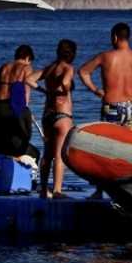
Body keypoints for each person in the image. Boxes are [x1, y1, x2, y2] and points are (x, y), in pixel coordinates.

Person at [78, 22, 132, 131]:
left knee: (110, 142)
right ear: (129, 38)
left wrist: (95, 90)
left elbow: (83, 72)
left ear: (115, 37)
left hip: (112, 106)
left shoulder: (105, 57)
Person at [38, 39, 78, 198]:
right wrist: (66, 89)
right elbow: (65, 82)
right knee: (60, 154)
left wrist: (45, 91)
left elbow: (29, 79)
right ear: (72, 54)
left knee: (47, 155)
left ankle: (42, 189)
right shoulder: (68, 68)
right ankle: (57, 190)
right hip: (63, 115)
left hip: (47, 114)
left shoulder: (49, 68)